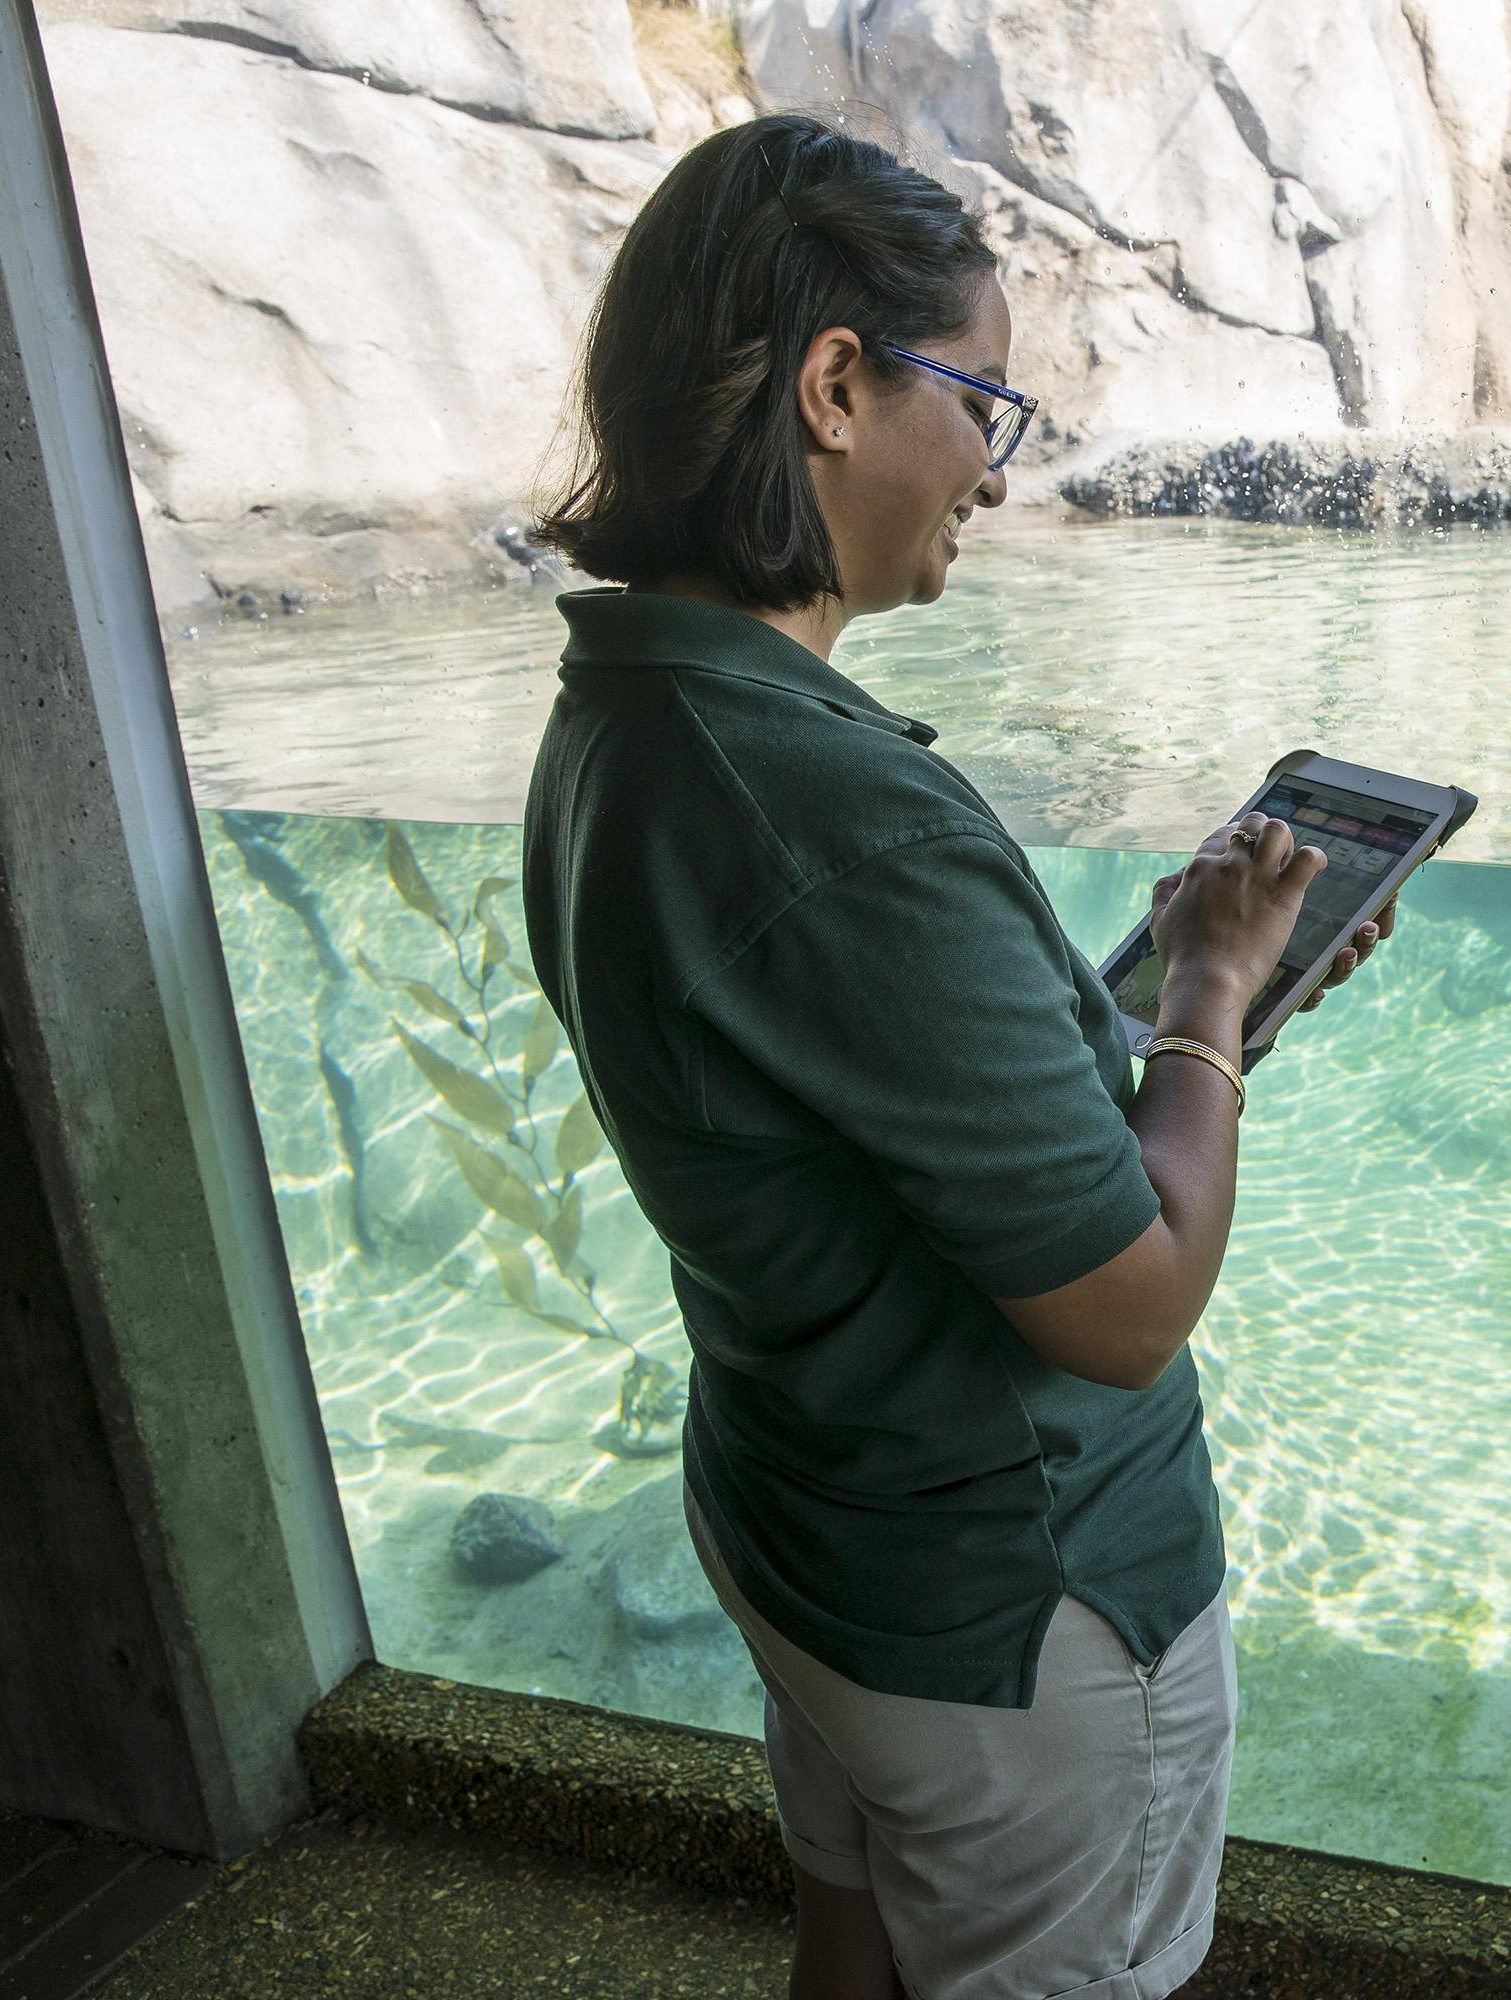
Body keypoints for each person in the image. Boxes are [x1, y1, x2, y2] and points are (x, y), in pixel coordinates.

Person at [521, 113, 1384, 2000]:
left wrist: (1189, 1003)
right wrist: (1209, 1004)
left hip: (810, 1523)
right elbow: (1130, 1303)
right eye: (985, 405)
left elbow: (880, 1094)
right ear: (837, 386)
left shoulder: (622, 723)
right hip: (1016, 1611)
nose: (994, 475)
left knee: (858, 1941)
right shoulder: (840, 807)